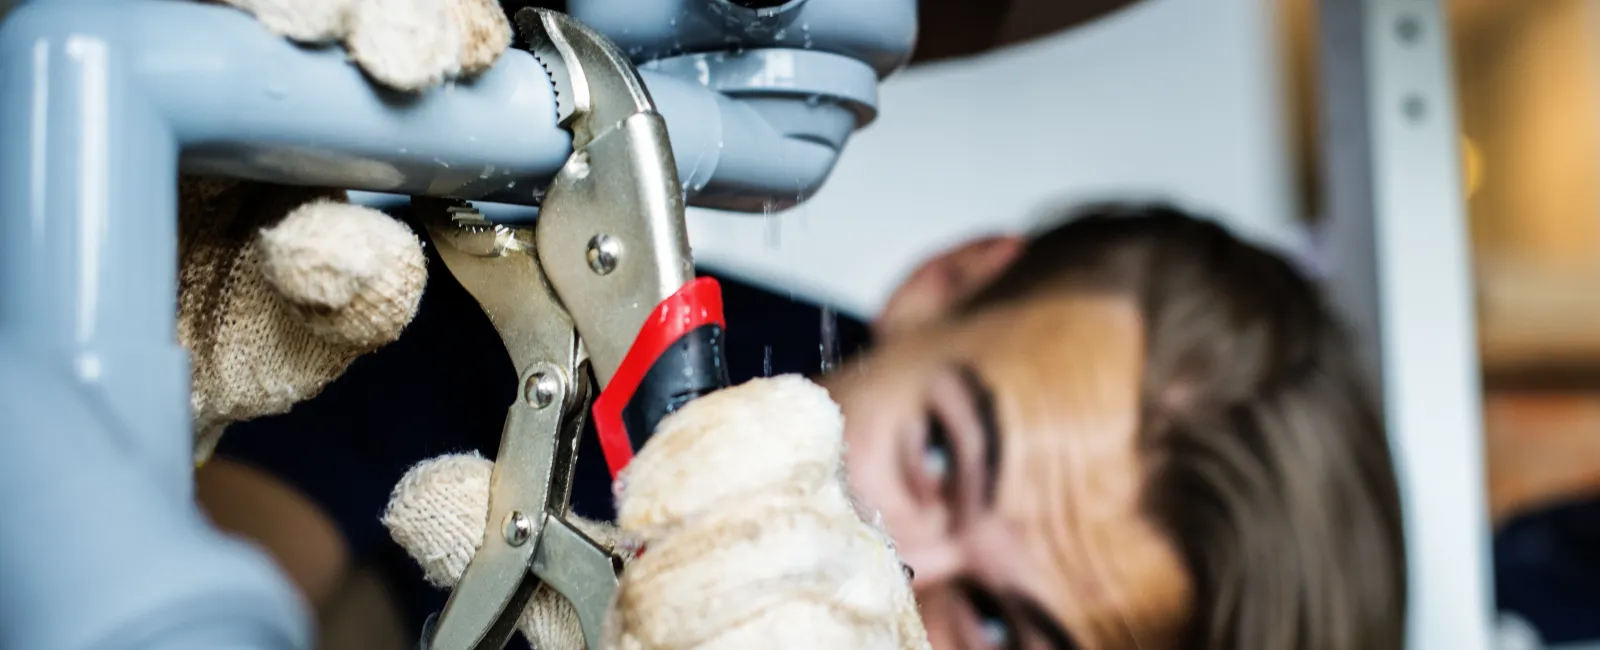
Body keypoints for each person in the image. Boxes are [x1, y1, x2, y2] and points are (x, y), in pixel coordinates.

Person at [203, 202, 1408, 649]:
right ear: (943, 286)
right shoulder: (556, 315)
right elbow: (200, 565)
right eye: (940, 450)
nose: (891, 564)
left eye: (993, 622)